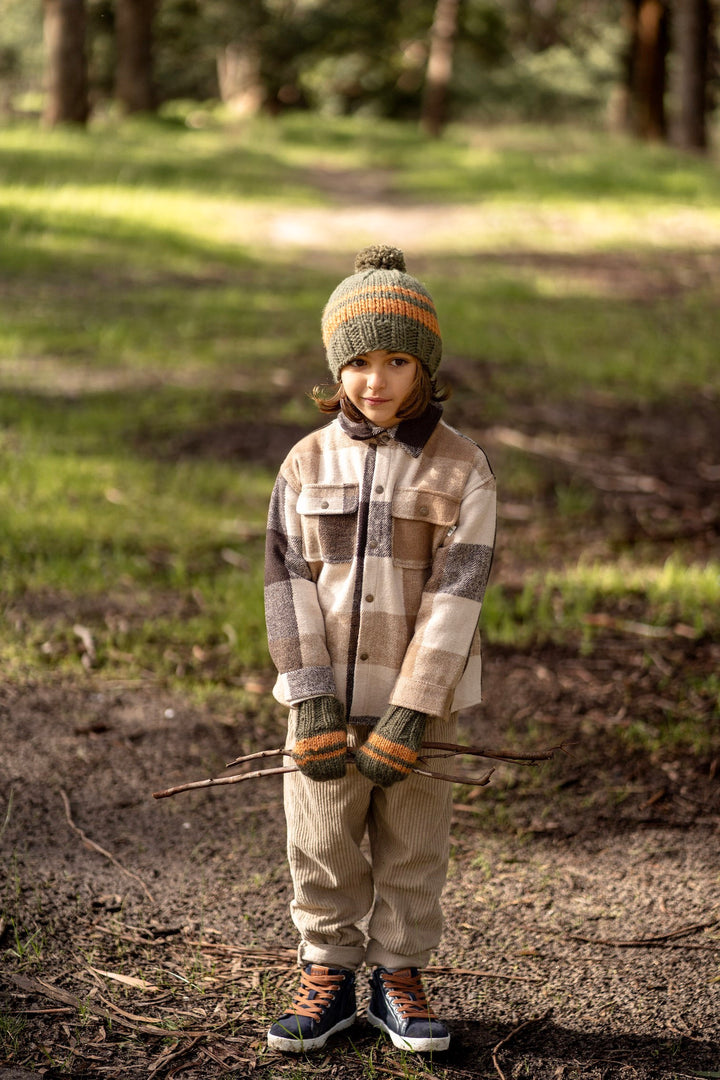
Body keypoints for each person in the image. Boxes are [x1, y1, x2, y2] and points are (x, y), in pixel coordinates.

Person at [263, 244, 496, 1055]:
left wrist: (413, 707)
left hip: (422, 706)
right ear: (336, 366)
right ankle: (327, 969)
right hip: (323, 699)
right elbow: (286, 582)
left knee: (413, 840)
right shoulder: (304, 463)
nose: (376, 379)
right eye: (358, 361)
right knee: (321, 835)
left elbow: (456, 599)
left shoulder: (462, 469)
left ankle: (399, 972)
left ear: (425, 365)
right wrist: (310, 693)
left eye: (397, 360)